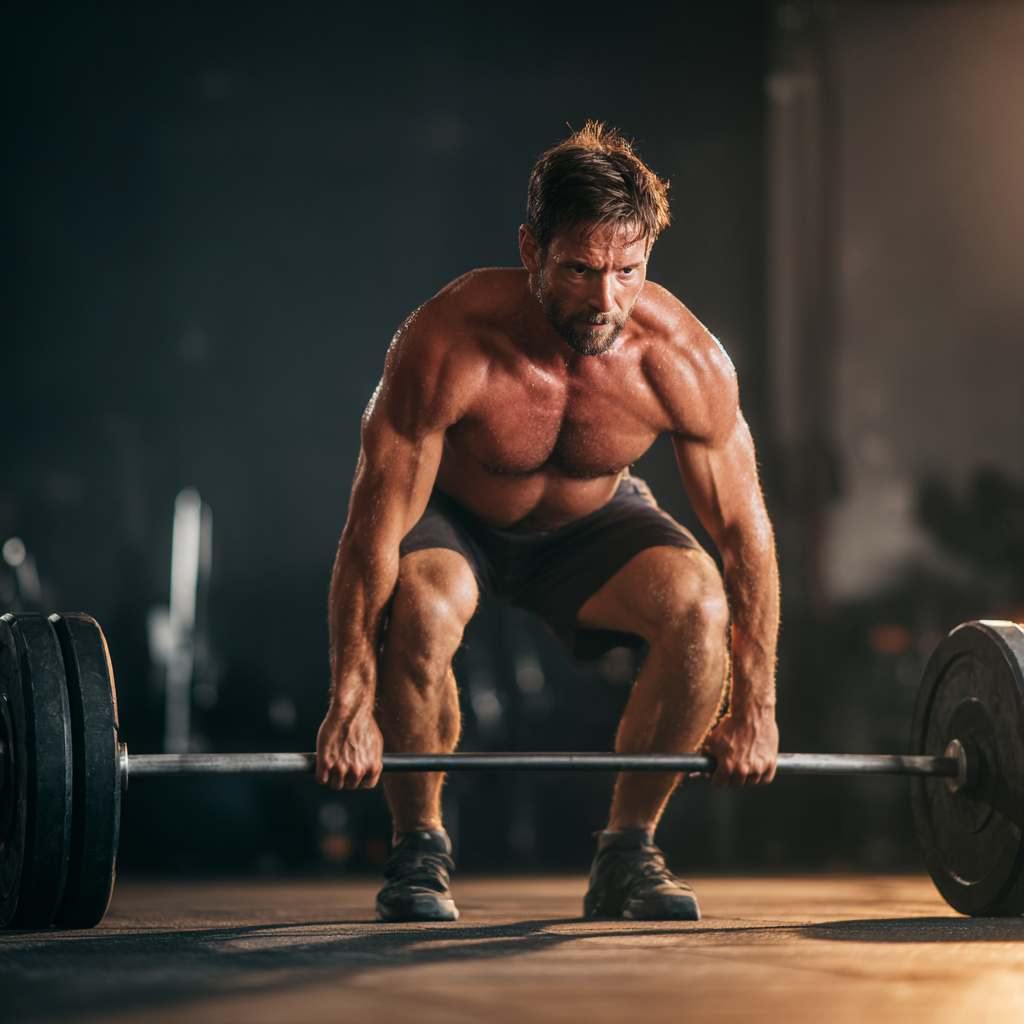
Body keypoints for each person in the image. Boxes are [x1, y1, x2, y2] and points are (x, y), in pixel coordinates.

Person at [315, 123, 779, 923]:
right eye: (580, 270)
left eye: (627, 271)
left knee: (700, 603)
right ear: (531, 249)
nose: (606, 300)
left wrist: (758, 705)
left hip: (590, 528)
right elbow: (372, 534)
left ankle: (628, 852)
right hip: (458, 524)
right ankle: (419, 846)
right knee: (422, 604)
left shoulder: (682, 360)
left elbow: (746, 537)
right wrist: (350, 698)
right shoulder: (448, 342)